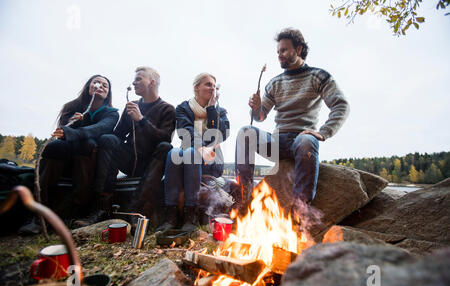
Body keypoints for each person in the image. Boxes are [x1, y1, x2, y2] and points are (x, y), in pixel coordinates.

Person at [235, 28, 350, 227]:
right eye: (278, 51)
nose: (279, 55)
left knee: (307, 140)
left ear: (298, 49)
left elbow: (341, 105)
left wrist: (323, 133)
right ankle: (244, 196)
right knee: (246, 132)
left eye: (284, 50)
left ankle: (299, 211)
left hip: (302, 140)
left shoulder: (318, 76)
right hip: (277, 141)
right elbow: (261, 116)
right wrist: (256, 108)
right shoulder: (275, 83)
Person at [73, 67, 175, 228]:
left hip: (151, 164)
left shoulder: (167, 109)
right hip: (129, 161)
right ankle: (102, 207)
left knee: (166, 147)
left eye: (139, 79)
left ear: (152, 82)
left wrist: (141, 120)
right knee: (109, 139)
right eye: (134, 79)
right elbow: (118, 135)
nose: (133, 82)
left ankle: (137, 209)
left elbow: (164, 137)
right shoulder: (132, 105)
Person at [18, 75, 119, 235]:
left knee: (88, 143)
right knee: (53, 147)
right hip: (65, 157)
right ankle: (39, 213)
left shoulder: (112, 114)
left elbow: (101, 129)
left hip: (90, 160)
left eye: (104, 85)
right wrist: (73, 123)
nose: (100, 86)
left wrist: (75, 131)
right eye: (96, 82)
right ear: (88, 86)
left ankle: (80, 207)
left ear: (108, 93)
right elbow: (62, 132)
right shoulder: (71, 106)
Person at [162, 73, 230, 233]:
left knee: (190, 152)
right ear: (196, 87)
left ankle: (190, 214)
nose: (212, 88)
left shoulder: (221, 111)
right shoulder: (183, 108)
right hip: (189, 155)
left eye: (214, 85)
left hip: (211, 161)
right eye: (208, 84)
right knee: (174, 153)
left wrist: (212, 110)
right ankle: (170, 215)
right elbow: (184, 130)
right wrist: (201, 147)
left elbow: (222, 134)